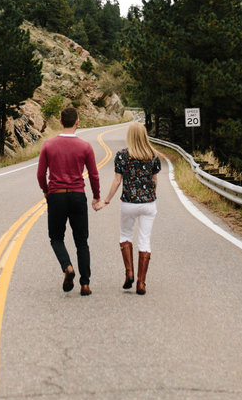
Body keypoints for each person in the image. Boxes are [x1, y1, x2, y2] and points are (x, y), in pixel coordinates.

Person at [36, 106, 101, 296]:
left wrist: (46, 191)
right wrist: (96, 196)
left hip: (57, 196)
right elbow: (94, 175)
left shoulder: (48, 145)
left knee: (56, 238)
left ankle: (67, 267)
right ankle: (85, 284)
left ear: (60, 121)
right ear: (77, 122)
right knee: (82, 241)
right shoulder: (85, 146)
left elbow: (41, 174)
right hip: (77, 195)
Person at [99, 121, 160, 295]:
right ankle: (141, 283)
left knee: (126, 235)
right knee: (145, 239)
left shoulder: (122, 155)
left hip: (129, 203)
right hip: (148, 203)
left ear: (130, 136)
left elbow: (117, 181)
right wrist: (150, 194)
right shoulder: (153, 155)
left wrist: (107, 200)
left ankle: (129, 273)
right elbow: (155, 180)